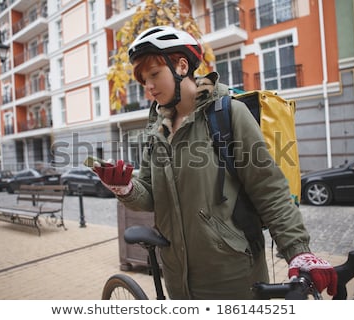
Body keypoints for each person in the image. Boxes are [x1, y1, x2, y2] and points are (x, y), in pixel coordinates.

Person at [93, 26, 337, 299]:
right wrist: (124, 188)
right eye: (143, 81)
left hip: (232, 276)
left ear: (181, 66)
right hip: (176, 275)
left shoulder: (227, 114)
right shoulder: (157, 132)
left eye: (154, 74)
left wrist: (298, 251)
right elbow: (150, 196)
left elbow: (268, 187)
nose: (148, 87)